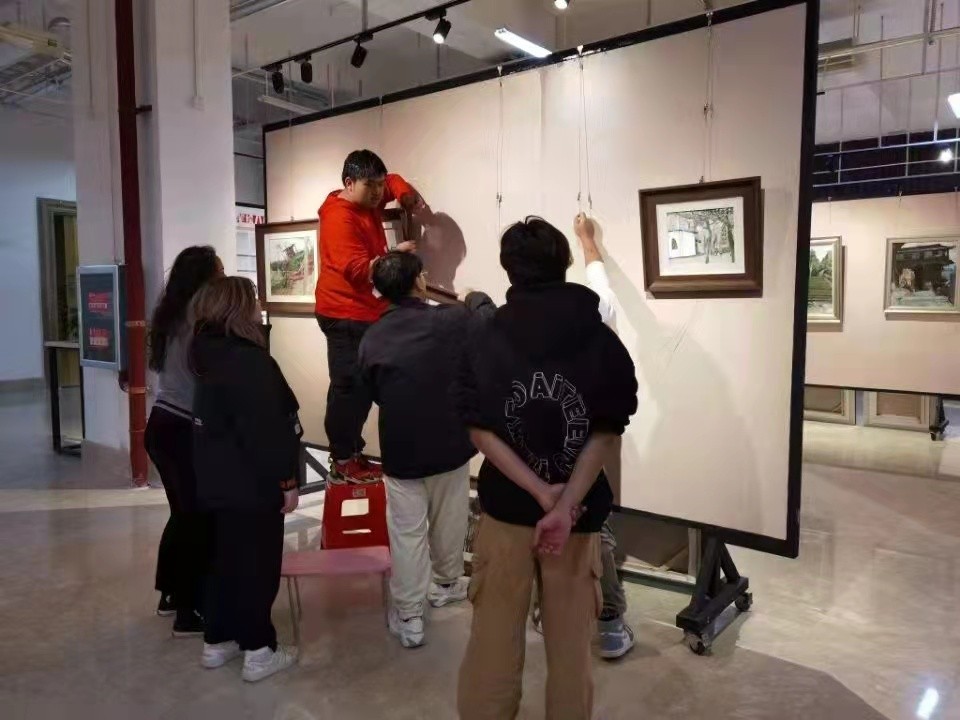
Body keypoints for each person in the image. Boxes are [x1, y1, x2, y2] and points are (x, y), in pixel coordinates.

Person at [455, 217, 638, 720]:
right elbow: (607, 430)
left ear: (508, 268)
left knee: (492, 643)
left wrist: (541, 493)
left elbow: (479, 431)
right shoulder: (598, 337)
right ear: (565, 262)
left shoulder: (485, 337)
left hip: (507, 511)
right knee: (572, 649)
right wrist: (563, 503)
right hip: (576, 519)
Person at [357, 251, 494, 649]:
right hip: (450, 441)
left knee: (407, 533)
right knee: (450, 518)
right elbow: (490, 322)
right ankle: (447, 584)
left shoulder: (372, 337)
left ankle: (410, 615)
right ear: (419, 282)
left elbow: (370, 390)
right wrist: (474, 296)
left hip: (402, 447)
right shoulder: (451, 320)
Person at [529, 214, 635, 660]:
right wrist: (587, 237)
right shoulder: (593, 309)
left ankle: (549, 610)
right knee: (593, 526)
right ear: (563, 264)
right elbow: (597, 273)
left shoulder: (510, 323)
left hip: (533, 449)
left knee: (542, 524)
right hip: (586, 443)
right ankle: (609, 623)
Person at [190, 277, 302, 683]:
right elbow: (267, 431)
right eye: (253, 298)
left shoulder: (205, 354)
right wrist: (287, 481)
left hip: (216, 479)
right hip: (251, 483)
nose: (259, 304)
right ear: (239, 309)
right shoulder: (250, 362)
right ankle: (258, 650)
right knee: (256, 564)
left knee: (224, 561)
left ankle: (218, 639)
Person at [314, 149, 425, 482]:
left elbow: (392, 180)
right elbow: (360, 270)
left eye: (378, 185)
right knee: (349, 388)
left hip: (364, 311)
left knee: (361, 388)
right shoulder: (339, 217)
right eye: (370, 186)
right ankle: (343, 459)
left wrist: (403, 194)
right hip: (344, 313)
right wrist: (395, 254)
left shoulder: (366, 200)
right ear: (349, 183)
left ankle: (351, 452)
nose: (378, 192)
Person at [145, 245, 223, 636]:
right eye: (219, 273)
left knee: (183, 514)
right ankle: (189, 612)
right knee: (196, 519)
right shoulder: (202, 319)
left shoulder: (171, 313)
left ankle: (171, 594)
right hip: (182, 428)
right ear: (206, 279)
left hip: (160, 424)